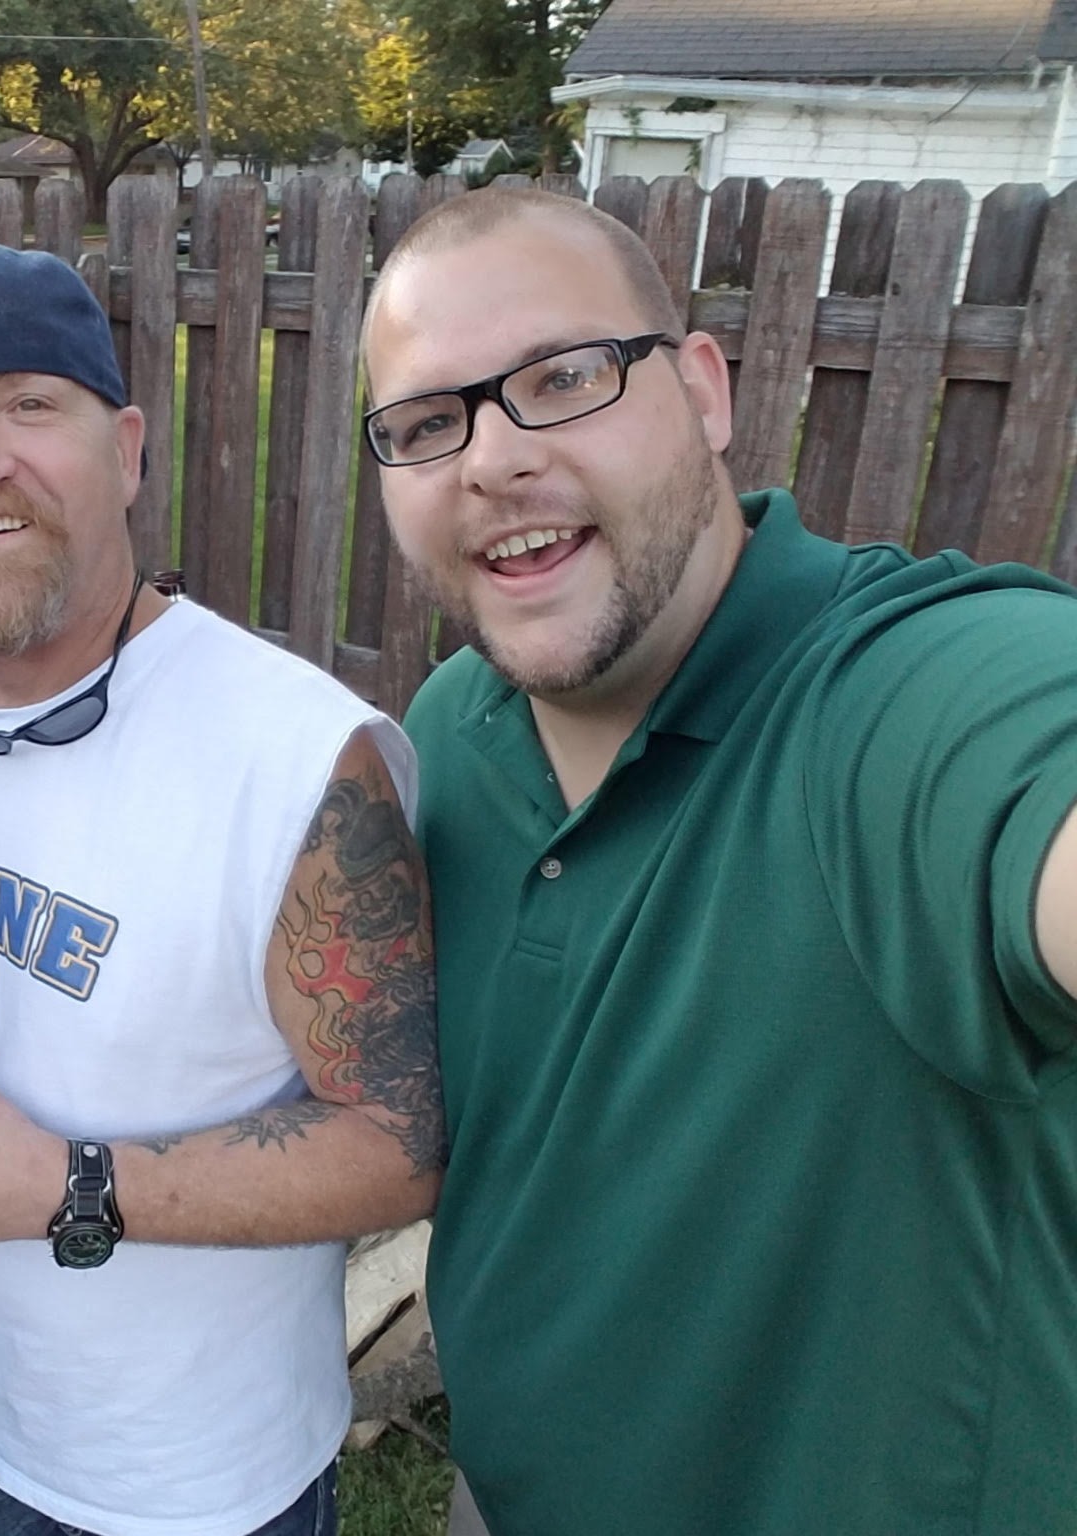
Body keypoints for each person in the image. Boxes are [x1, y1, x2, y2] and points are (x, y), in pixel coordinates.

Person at [362, 187, 1077, 1536]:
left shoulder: (897, 701)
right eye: (424, 423)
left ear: (700, 391)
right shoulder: (452, 731)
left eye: (563, 377)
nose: (490, 460)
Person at [0, 243, 445, 1536]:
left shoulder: (299, 759)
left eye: (30, 404)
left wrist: (59, 1186)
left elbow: (399, 1148)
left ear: (127, 451)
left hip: (200, 1484)